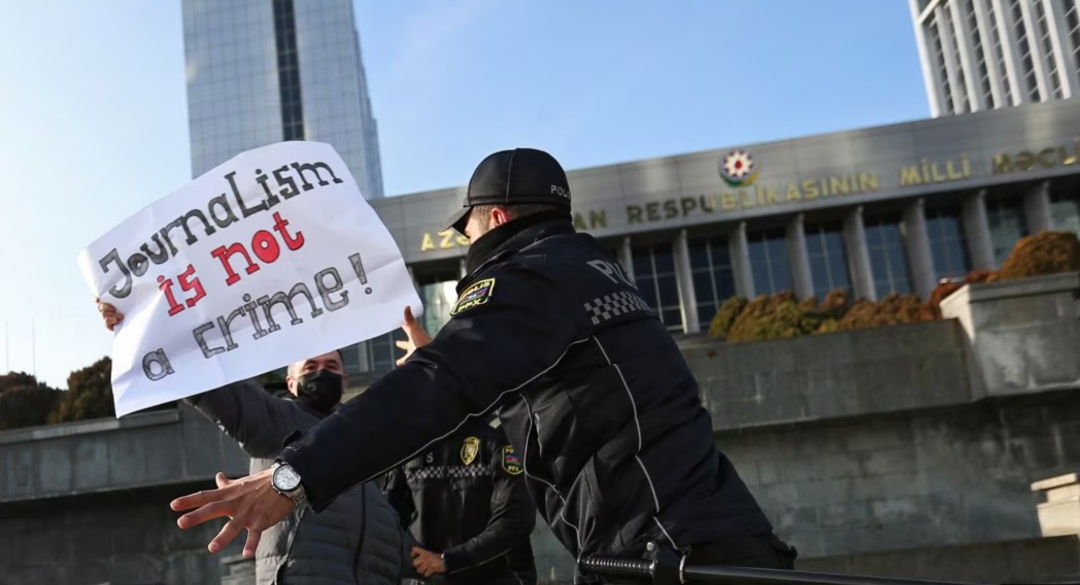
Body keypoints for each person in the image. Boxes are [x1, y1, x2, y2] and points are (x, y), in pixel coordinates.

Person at [169, 147, 798, 579]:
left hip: (666, 551)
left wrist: (290, 479)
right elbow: (544, 406)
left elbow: (444, 387)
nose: (466, 243)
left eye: (466, 229)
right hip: (687, 541)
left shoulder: (529, 276)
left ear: (494, 217)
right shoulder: (584, 272)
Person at [98, 302, 413, 585]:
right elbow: (209, 381)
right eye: (310, 368)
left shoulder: (366, 437)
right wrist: (142, 328)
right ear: (290, 383)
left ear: (345, 381)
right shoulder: (275, 419)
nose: (321, 373)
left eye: (331, 368)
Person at [382, 413, 537, 585]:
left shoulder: (499, 434)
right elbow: (389, 515)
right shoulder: (411, 440)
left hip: (497, 578)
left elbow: (516, 519)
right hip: (427, 579)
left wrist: (448, 560)